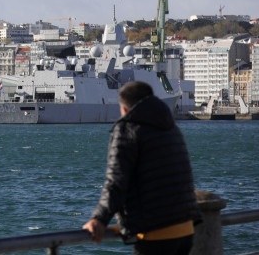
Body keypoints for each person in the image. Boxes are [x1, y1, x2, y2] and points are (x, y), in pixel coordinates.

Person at [82, 80, 202, 254]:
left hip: (156, 233)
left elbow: (116, 181)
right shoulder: (170, 127)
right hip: (185, 229)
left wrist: (99, 219)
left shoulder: (128, 128)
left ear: (124, 108)